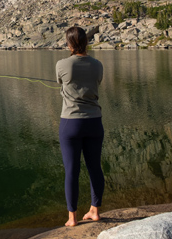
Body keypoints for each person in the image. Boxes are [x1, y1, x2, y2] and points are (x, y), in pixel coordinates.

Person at [56, 27, 104, 227]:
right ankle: (95, 210)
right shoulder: (98, 65)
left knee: (71, 171)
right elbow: (96, 82)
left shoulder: (63, 64)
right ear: (86, 42)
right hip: (94, 122)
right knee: (95, 167)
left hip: (71, 123)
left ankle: (72, 218)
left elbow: (60, 81)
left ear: (69, 44)